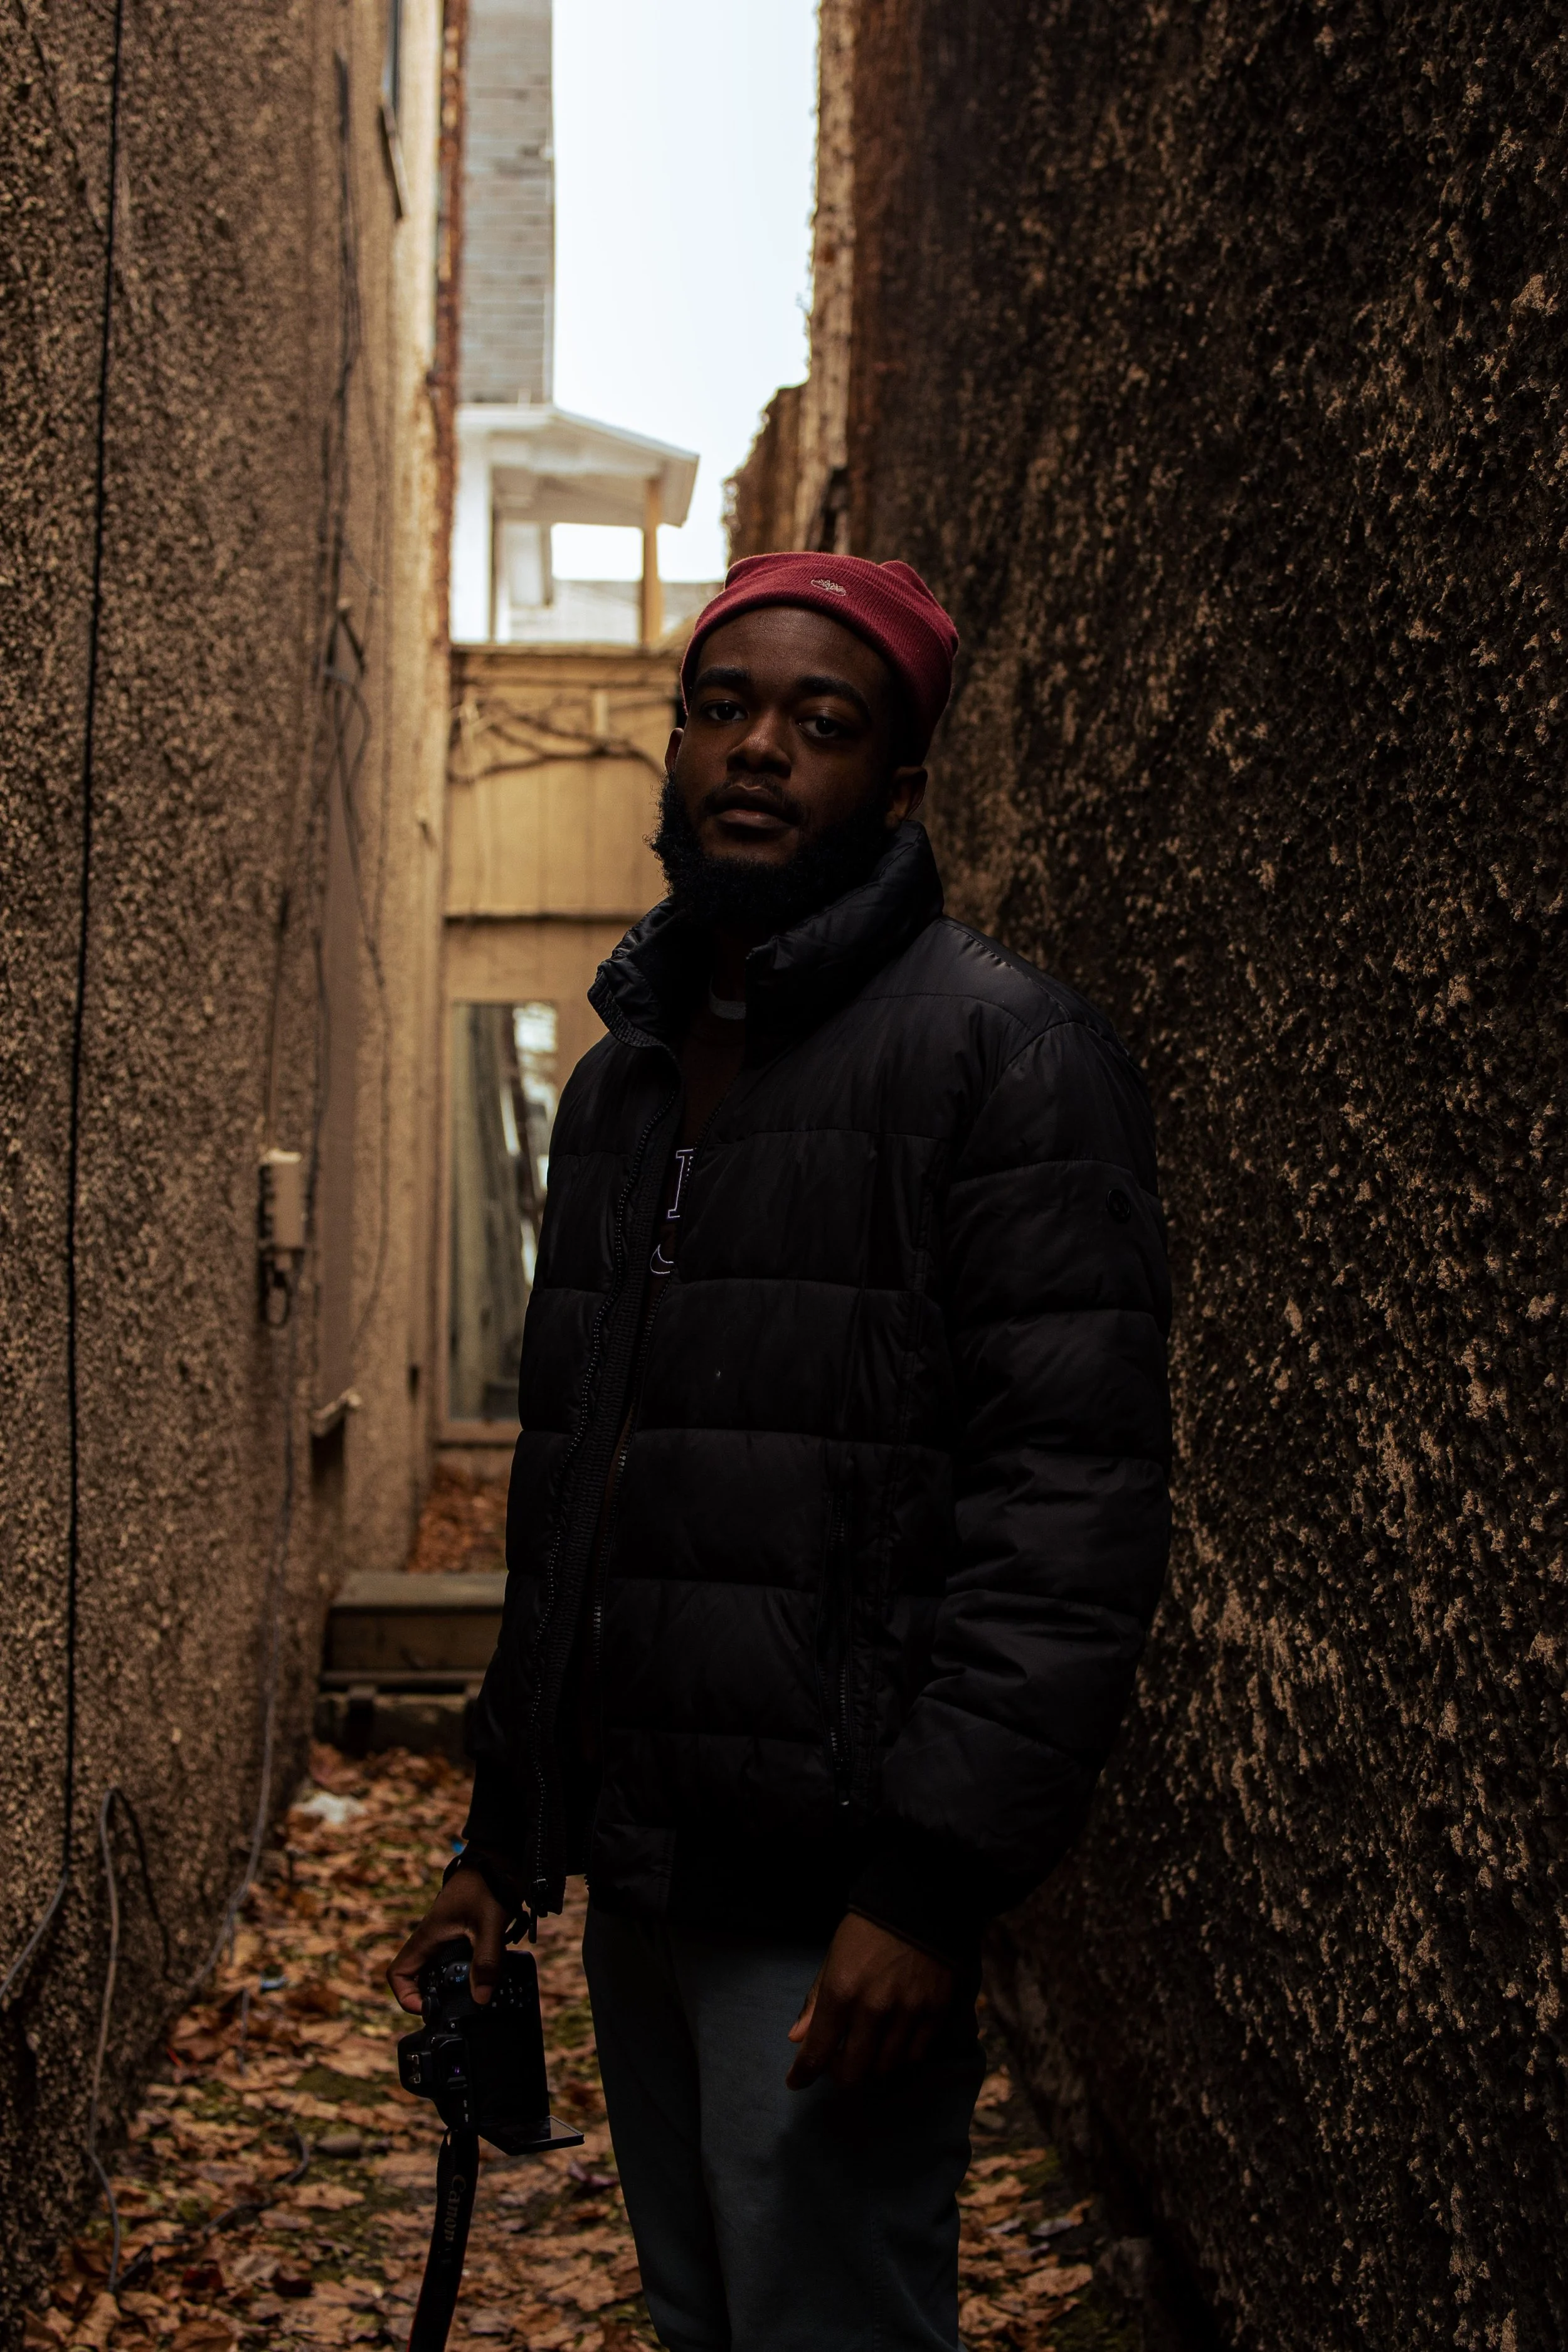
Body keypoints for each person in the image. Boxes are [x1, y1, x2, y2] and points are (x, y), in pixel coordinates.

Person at [391, 552, 1172, 2352]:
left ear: (896, 785)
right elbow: (580, 1485)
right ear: (674, 748)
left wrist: (929, 1889)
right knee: (699, 2316)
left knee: (826, 2324)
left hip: (833, 1908)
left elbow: (1068, 1517)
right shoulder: (624, 1081)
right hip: (640, 1876)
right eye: (724, 708)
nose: (759, 749)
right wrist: (505, 1831)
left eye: (822, 722)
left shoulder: (1010, 1055)